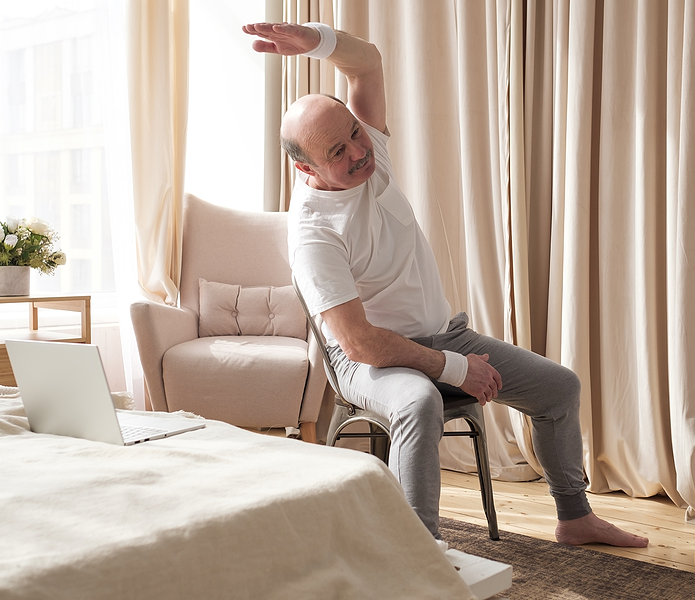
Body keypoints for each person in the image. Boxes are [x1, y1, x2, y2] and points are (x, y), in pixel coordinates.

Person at [243, 21, 648, 548]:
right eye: (337, 153)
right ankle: (420, 551)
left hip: (445, 335)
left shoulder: (368, 154)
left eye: (355, 134)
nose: (358, 152)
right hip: (370, 362)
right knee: (418, 403)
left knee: (559, 388)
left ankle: (574, 518)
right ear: (305, 169)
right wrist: (456, 369)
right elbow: (359, 344)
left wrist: (316, 41)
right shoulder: (314, 232)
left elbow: (367, 63)